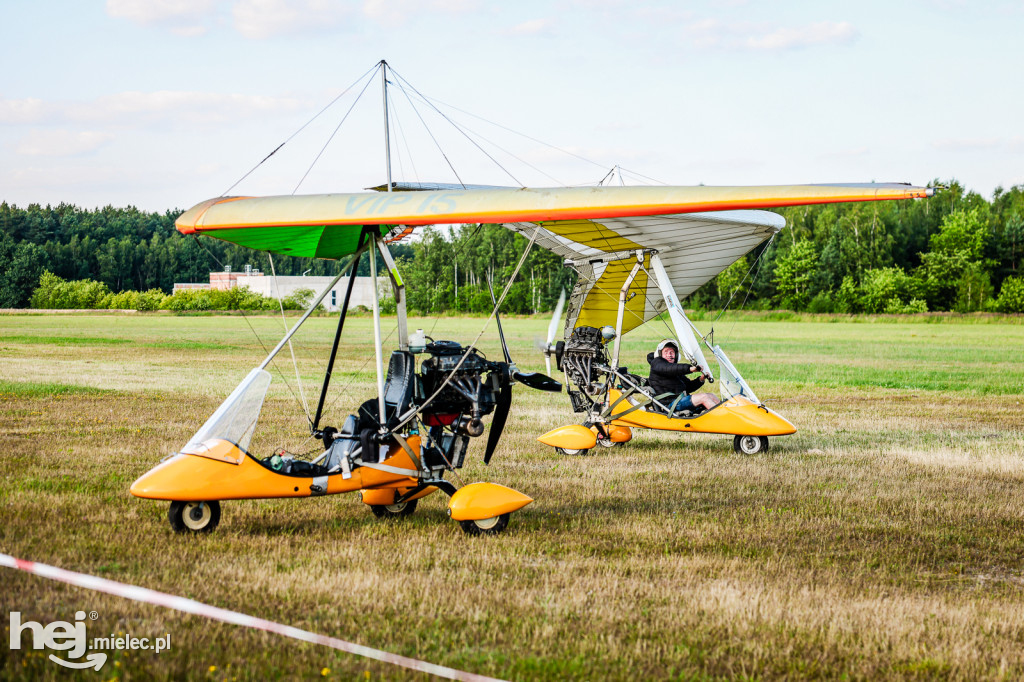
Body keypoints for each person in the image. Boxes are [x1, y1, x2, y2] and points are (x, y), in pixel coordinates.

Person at [646, 339, 719, 413]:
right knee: (704, 397)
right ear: (660, 354)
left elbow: (688, 387)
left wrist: (701, 379)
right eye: (666, 352)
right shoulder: (656, 363)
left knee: (711, 396)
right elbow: (667, 368)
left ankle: (727, 417)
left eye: (672, 352)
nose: (669, 354)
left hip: (679, 401)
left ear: (676, 355)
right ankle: (721, 418)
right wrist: (691, 369)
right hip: (669, 406)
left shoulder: (675, 370)